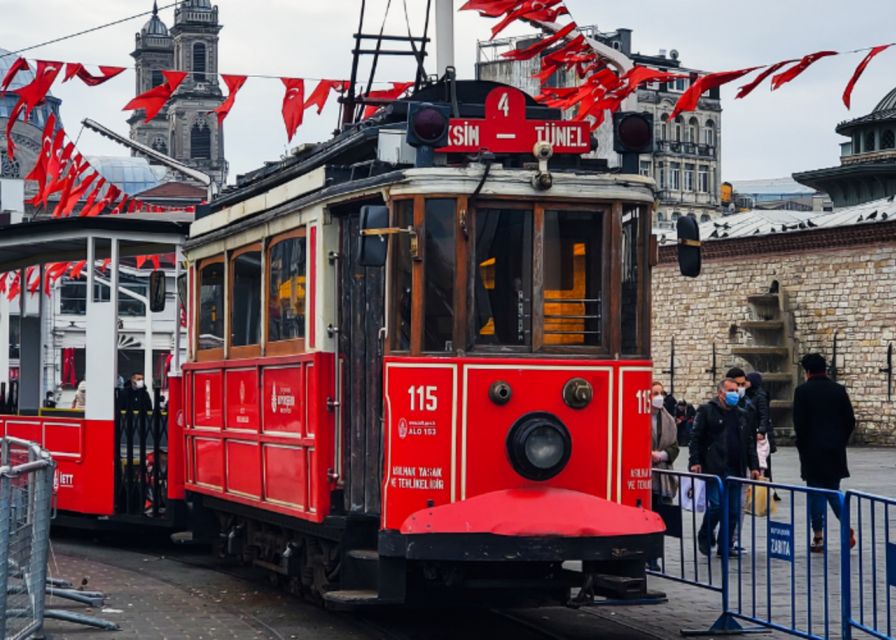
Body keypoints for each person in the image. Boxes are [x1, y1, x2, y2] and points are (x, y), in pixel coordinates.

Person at [689, 378, 761, 557]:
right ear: (720, 393)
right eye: (730, 391)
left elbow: (749, 442)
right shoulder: (707, 411)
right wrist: (695, 461)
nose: (734, 394)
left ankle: (726, 545)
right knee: (716, 506)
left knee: (734, 510)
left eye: (736, 390)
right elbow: (696, 438)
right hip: (715, 466)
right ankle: (705, 533)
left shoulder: (742, 414)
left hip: (736, 467)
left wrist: (754, 466)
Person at [793, 353, 856, 552]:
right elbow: (850, 420)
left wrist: (802, 445)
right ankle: (846, 526)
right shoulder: (838, 390)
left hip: (812, 451)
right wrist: (840, 440)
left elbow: (799, 423)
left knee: (816, 493)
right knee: (833, 490)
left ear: (808, 371)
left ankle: (818, 535)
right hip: (834, 451)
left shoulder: (802, 392)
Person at [648, 382, 679, 571]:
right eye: (654, 393)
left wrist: (662, 455)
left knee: (660, 517)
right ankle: (646, 555)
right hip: (644, 477)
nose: (659, 397)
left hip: (662, 476)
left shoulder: (668, 420)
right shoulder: (637, 416)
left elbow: (674, 446)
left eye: (661, 393)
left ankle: (654, 557)